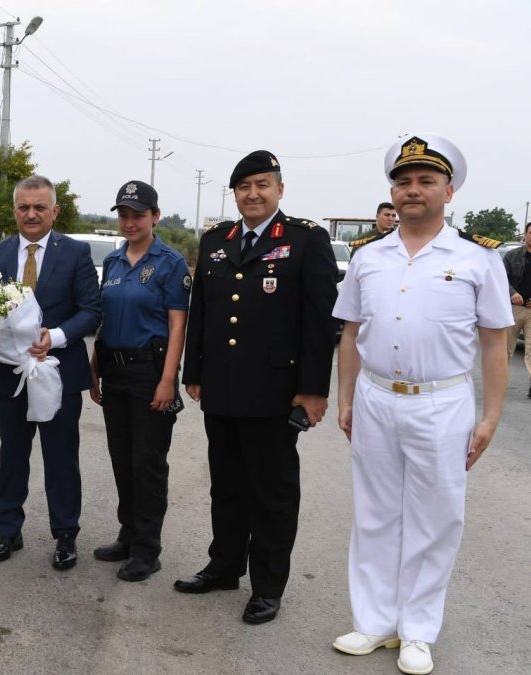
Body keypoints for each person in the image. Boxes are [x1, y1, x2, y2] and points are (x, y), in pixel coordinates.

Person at [332, 134, 512, 675]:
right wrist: (346, 397)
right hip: (376, 397)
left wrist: (491, 416)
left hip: (442, 402)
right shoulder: (368, 257)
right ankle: (375, 622)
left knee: (436, 518)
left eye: (426, 181)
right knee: (375, 514)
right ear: (393, 189)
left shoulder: (478, 258)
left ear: (448, 190)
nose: (413, 190)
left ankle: (418, 631)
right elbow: (349, 332)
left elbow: (496, 340)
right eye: (404, 181)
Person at [177, 151, 338, 624]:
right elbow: (204, 311)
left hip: (274, 391)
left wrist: (313, 390)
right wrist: (194, 373)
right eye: (245, 186)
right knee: (226, 487)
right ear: (235, 193)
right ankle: (225, 567)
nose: (253, 194)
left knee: (272, 493)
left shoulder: (306, 240)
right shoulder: (216, 240)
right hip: (222, 389)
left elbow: (319, 320)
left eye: (263, 185)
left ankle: (268, 586)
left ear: (280, 190)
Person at [0, 174, 101, 571]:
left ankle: (65, 536)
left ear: (55, 211)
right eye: (23, 207)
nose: (31, 214)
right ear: (14, 209)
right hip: (9, 374)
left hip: (59, 373)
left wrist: (57, 336)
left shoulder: (77, 253)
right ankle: (8, 532)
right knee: (12, 455)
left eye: (39, 207)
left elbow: (91, 310)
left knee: (61, 458)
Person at [88, 180, 190, 582]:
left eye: (138, 215)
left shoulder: (170, 262)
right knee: (122, 459)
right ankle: (128, 535)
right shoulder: (113, 263)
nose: (129, 222)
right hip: (114, 370)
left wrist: (169, 381)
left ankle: (148, 549)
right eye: (124, 215)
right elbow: (104, 320)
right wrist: (94, 367)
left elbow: (177, 325)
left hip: (151, 372)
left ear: (155, 217)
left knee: (148, 464)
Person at [503, 222, 531, 398]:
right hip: (513, 309)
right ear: (525, 234)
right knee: (505, 350)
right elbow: (500, 279)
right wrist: (512, 293)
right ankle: (499, 383)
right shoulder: (512, 256)